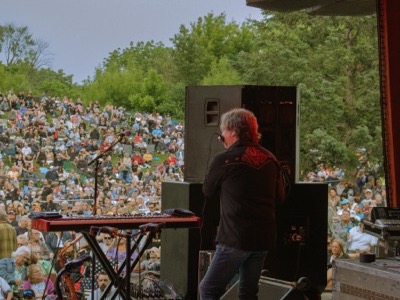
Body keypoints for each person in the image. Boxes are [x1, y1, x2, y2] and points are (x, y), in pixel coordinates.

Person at [199, 108, 285, 299]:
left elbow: (207, 191)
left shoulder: (225, 159)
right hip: (262, 237)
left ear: (232, 130)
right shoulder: (270, 158)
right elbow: (280, 196)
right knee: (248, 292)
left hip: (235, 237)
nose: (223, 137)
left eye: (223, 132)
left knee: (208, 289)